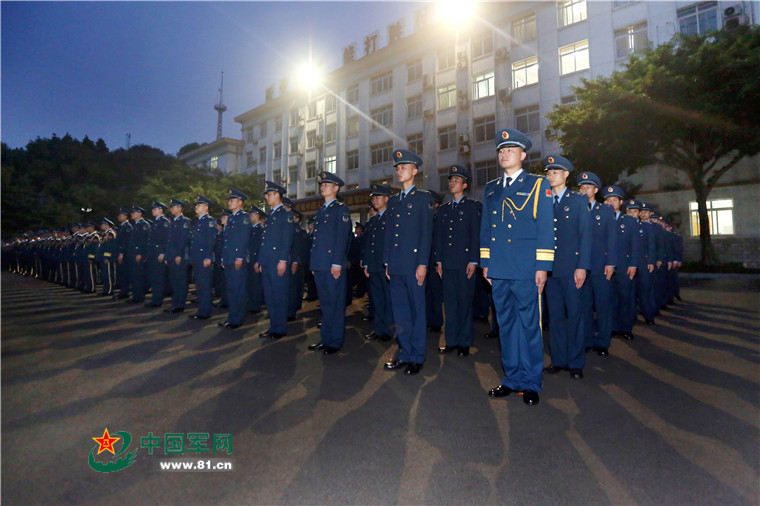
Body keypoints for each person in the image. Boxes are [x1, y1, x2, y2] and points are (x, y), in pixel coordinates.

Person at [480, 129, 554, 406]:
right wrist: (486, 263)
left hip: (526, 268)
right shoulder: (491, 188)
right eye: (501, 150)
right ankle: (512, 378)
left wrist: (543, 266)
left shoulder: (537, 184)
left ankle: (531, 381)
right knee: (507, 325)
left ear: (523, 155)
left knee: (530, 326)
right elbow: (486, 228)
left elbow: (546, 227)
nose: (504, 154)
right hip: (498, 268)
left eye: (510, 150)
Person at [382, 149, 434, 376]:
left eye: (403, 167)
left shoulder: (423, 199)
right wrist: (386, 262)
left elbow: (426, 234)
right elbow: (389, 234)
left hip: (414, 265)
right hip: (395, 264)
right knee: (400, 313)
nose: (399, 171)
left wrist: (422, 264)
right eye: (398, 168)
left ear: (414, 171)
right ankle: (404, 352)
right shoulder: (393, 201)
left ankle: (417, 356)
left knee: (416, 311)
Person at [543, 156, 591, 379]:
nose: (550, 176)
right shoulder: (543, 200)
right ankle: (559, 359)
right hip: (550, 270)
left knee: (574, 315)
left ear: (566, 175)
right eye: (548, 172)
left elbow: (585, 236)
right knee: (554, 317)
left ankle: (576, 362)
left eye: (555, 172)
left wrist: (582, 267)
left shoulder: (578, 200)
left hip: (572, 269)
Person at [435, 164, 481, 358]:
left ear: (465, 185)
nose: (452, 183)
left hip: (464, 264)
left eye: (456, 180)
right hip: (447, 263)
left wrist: (473, 261)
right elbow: (439, 237)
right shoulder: (444, 209)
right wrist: (438, 261)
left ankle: (464, 342)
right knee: (450, 304)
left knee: (464, 303)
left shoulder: (472, 207)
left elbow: (475, 236)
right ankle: (451, 340)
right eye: (450, 180)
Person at [307, 172, 353, 354]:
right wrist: (314, 264)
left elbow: (342, 238)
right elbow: (317, 241)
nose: (323, 186)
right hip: (320, 264)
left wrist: (337, 263)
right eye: (322, 184)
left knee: (335, 303)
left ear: (336, 188)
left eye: (327, 184)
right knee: (325, 304)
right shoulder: (321, 210)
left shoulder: (340, 209)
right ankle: (325, 338)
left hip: (332, 264)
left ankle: (334, 341)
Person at [576, 172, 617, 357]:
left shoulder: (606, 210)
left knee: (602, 305)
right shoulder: (575, 208)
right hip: (580, 267)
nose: (584, 190)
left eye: (588, 187)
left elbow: (612, 239)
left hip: (601, 266)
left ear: (595, 190)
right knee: (583, 305)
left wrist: (611, 263)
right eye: (581, 187)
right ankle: (586, 340)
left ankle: (603, 342)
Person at [255, 182, 294, 338]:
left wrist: (283, 260)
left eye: (269, 194)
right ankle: (273, 326)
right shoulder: (271, 215)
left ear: (277, 195)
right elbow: (265, 242)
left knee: (279, 295)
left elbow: (287, 240)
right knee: (270, 297)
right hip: (268, 261)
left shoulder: (285, 215)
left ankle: (280, 328)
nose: (266, 197)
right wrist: (260, 260)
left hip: (278, 261)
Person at [603, 186, 641, 342]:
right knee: (608, 298)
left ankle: (626, 328)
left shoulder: (629, 221)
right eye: (608, 200)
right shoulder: (601, 219)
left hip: (624, 265)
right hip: (605, 266)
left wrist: (633, 264)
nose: (611, 203)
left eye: (614, 200)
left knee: (625, 297)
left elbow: (635, 245)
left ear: (621, 202)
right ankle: (611, 327)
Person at [362, 184, 394, 342]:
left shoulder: (392, 218)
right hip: (374, 265)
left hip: (386, 265)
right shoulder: (374, 221)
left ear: (387, 198)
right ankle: (379, 329)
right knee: (377, 299)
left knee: (388, 299)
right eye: (373, 197)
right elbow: (369, 244)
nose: (374, 200)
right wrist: (367, 263)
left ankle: (387, 330)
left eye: (378, 197)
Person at [219, 188, 251, 329]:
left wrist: (239, 257)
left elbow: (242, 239)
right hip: (229, 259)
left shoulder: (243, 217)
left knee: (238, 290)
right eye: (229, 200)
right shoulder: (232, 218)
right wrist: (224, 259)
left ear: (240, 202)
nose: (229, 202)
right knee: (231, 290)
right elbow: (227, 242)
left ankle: (237, 319)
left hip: (237, 259)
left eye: (232, 200)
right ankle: (232, 317)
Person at [189, 195, 217, 320]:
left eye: (199, 205)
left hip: (204, 258)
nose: (196, 207)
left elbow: (210, 240)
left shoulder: (209, 221)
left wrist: (207, 256)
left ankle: (205, 311)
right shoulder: (199, 221)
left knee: (205, 286)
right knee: (200, 285)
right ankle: (201, 310)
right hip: (197, 257)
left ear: (206, 207)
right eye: (196, 205)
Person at [165, 198, 191, 313]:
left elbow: (182, 240)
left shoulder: (184, 221)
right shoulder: (173, 221)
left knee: (180, 280)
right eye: (171, 207)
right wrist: (168, 255)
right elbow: (169, 241)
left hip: (179, 255)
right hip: (172, 255)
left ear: (180, 208)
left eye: (174, 207)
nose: (171, 209)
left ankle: (180, 305)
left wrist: (179, 254)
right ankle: (175, 303)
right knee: (174, 281)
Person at [146, 201, 171, 308]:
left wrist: (163, 252)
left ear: (161, 210)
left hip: (158, 253)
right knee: (154, 277)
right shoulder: (155, 222)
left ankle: (158, 300)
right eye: (152, 209)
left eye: (155, 209)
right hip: (153, 253)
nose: (153, 211)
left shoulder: (164, 222)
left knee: (159, 277)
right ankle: (155, 298)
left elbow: (166, 239)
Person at [127, 205, 151, 303]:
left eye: (134, 212)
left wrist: (140, 253)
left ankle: (139, 296)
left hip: (138, 254)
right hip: (133, 253)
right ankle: (136, 295)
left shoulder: (143, 224)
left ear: (140, 213)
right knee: (134, 275)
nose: (132, 214)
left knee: (139, 276)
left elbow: (143, 241)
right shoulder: (136, 224)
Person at [246, 205, 266, 315]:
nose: (250, 216)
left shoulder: (260, 229)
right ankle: (252, 303)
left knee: (256, 284)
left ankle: (255, 305)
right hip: (250, 260)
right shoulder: (252, 228)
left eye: (252, 214)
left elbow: (261, 247)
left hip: (256, 260)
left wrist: (258, 261)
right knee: (251, 283)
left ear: (257, 215)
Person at [114, 208, 133, 299]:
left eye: (121, 215)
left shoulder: (127, 227)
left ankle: (125, 292)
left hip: (125, 254)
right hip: (121, 253)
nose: (119, 217)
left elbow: (126, 242)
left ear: (125, 216)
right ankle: (123, 291)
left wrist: (121, 253)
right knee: (121, 273)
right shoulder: (122, 226)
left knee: (125, 274)